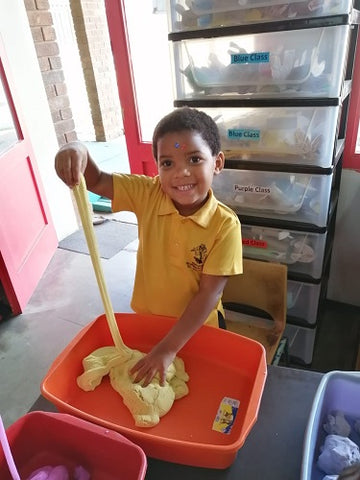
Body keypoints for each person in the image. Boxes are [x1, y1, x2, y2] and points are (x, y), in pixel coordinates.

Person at [55, 107, 243, 386]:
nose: (181, 173)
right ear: (156, 167)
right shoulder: (148, 194)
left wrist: (168, 349)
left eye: (194, 159)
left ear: (217, 163)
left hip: (199, 330)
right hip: (148, 324)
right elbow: (95, 180)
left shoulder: (225, 226)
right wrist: (77, 149)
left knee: (199, 388)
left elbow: (208, 295)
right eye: (167, 163)